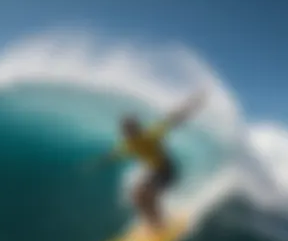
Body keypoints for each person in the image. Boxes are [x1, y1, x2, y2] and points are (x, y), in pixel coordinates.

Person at [88, 89, 207, 230]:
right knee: (136, 196)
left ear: (136, 129)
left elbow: (172, 119)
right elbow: (113, 155)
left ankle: (160, 225)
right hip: (154, 171)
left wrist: (193, 103)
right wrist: (97, 163)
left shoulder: (149, 135)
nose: (127, 133)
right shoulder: (129, 145)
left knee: (147, 195)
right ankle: (154, 223)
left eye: (130, 129)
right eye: (125, 131)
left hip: (166, 169)